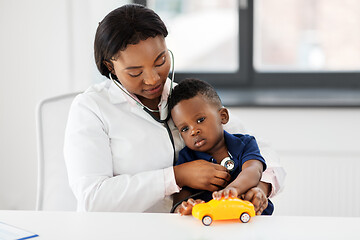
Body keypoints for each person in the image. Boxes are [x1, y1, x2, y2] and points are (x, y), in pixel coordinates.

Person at [64, 4, 285, 213]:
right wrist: (175, 177)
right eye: (135, 72)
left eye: (160, 61)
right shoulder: (91, 109)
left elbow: (261, 152)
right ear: (110, 66)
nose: (152, 79)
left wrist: (261, 187)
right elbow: (92, 199)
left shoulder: (187, 99)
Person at [168, 78, 274, 215]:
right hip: (211, 227)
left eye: (200, 120)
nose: (194, 131)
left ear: (223, 117)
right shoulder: (187, 157)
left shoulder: (245, 143)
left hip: (251, 219)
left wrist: (234, 189)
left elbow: (253, 170)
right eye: (184, 129)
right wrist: (184, 207)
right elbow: (181, 196)